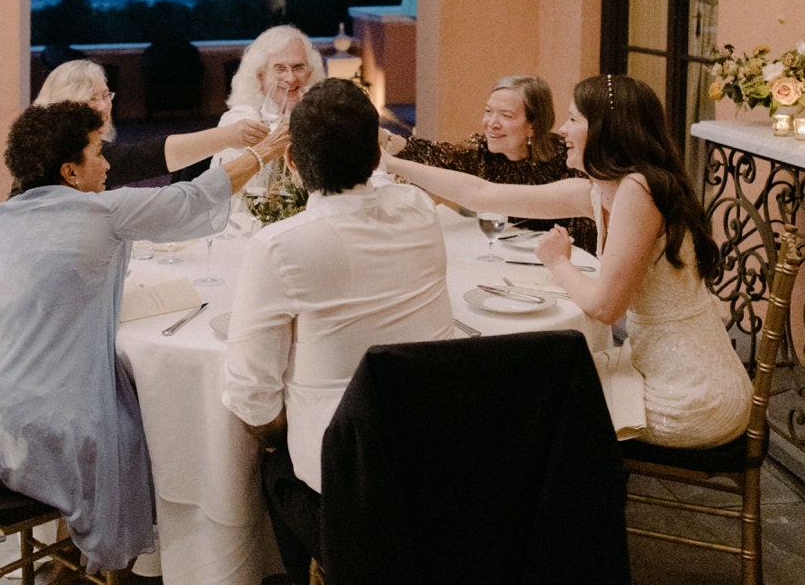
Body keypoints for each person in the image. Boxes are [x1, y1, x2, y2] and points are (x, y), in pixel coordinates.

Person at [0, 100, 288, 576]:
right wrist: (266, 151)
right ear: (70, 171)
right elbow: (193, 198)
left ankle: (71, 559)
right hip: (26, 441)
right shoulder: (102, 214)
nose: (108, 163)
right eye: (97, 153)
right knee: (139, 425)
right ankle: (183, 556)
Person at [384, 74, 753, 449]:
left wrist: (557, 262)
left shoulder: (637, 191)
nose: (562, 129)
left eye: (574, 119)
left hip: (692, 394)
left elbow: (606, 308)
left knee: (534, 405)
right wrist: (390, 162)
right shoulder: (604, 189)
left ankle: (564, 501)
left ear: (607, 130)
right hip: (657, 365)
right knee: (538, 384)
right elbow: (483, 194)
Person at [222, 79, 453, 585]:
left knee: (269, 461)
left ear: (292, 165)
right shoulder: (419, 211)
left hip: (348, 479)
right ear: (376, 157)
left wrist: (275, 433)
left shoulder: (281, 247)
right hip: (441, 449)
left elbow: (250, 394)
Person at [381, 74, 597, 252]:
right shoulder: (482, 150)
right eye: (488, 112)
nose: (491, 124)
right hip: (507, 259)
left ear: (533, 125)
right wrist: (389, 140)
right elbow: (437, 155)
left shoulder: (568, 159)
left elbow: (587, 241)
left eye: (506, 115)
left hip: (560, 265)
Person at [34, 58, 268, 190]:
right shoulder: (67, 155)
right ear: (65, 106)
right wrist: (228, 136)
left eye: (106, 96)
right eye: (92, 99)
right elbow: (144, 157)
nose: (104, 106)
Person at [212, 24, 325, 190]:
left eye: (298, 67)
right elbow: (222, 189)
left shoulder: (317, 117)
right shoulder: (241, 121)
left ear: (310, 72)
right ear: (260, 76)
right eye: (280, 69)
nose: (291, 78)